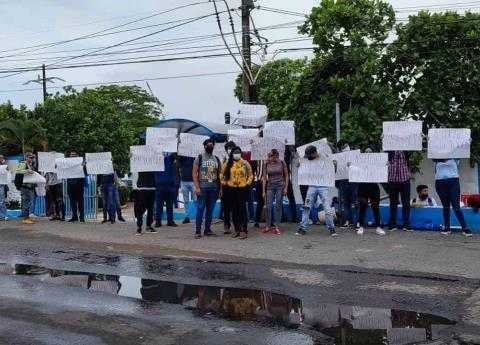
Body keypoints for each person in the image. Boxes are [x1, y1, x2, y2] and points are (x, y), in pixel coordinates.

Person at [297, 146, 337, 237]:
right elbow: (300, 165)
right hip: (312, 185)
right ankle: (303, 228)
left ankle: (331, 228)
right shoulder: (306, 159)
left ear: (315, 152)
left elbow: (332, 169)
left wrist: (334, 165)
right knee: (307, 206)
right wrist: (299, 164)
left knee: (327, 207)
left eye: (310, 155)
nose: (308, 157)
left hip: (323, 186)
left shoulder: (325, 158)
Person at [221, 146, 253, 239]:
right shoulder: (227, 163)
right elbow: (221, 174)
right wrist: (225, 183)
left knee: (242, 209)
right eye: (235, 152)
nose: (237, 154)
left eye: (238, 152)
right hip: (231, 189)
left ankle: (244, 230)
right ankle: (237, 230)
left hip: (242, 189)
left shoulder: (245, 163)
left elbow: (251, 175)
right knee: (234, 210)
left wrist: (247, 183)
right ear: (232, 154)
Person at [434, 159, 472, 237]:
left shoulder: (455, 156)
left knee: (456, 206)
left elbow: (460, 155)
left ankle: (465, 228)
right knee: (445, 206)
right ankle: (447, 228)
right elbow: (433, 162)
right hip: (439, 181)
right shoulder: (437, 155)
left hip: (453, 181)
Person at [193, 138, 221, 238]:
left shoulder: (216, 159)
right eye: (208, 145)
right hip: (202, 188)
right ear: (204, 146)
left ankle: (207, 230)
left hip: (213, 188)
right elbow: (194, 173)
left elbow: (219, 175)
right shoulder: (199, 158)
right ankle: (197, 231)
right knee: (200, 209)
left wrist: (220, 189)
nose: (210, 146)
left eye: (212, 144)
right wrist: (197, 187)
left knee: (210, 210)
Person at [262, 149, 289, 235]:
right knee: (268, 206)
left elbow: (287, 175)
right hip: (270, 186)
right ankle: (268, 225)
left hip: (280, 186)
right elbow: (264, 178)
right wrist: (263, 190)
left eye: (276, 156)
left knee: (278, 206)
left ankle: (277, 226)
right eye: (273, 156)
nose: (275, 158)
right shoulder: (266, 163)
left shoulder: (282, 162)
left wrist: (286, 188)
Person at [335, 140, 359, 229]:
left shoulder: (354, 154)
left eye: (345, 145)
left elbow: (359, 167)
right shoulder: (338, 157)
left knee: (354, 202)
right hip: (344, 180)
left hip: (352, 180)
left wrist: (351, 166)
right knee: (346, 202)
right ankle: (348, 221)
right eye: (343, 147)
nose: (345, 147)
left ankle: (356, 222)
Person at [387, 150, 411, 231]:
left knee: (406, 203)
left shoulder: (405, 148)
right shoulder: (389, 148)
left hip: (405, 178)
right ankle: (392, 224)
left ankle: (406, 224)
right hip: (392, 179)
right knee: (393, 203)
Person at [154, 153, 178, 228]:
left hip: (168, 185)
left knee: (169, 205)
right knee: (159, 205)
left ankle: (168, 221)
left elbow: (176, 154)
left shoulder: (170, 158)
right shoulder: (155, 159)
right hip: (160, 185)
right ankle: (159, 221)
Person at [15, 152, 37, 225]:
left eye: (32, 157)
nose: (31, 159)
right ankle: (25, 218)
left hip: (29, 186)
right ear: (26, 157)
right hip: (24, 186)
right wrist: (27, 171)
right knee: (26, 202)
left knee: (29, 201)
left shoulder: (30, 164)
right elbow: (18, 171)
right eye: (30, 157)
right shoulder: (23, 163)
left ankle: (27, 217)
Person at [66, 150, 86, 222]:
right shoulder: (67, 164)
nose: (73, 156)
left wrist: (84, 166)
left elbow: (86, 173)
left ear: (77, 156)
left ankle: (82, 217)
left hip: (79, 185)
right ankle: (74, 216)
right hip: (70, 185)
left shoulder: (81, 163)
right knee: (72, 202)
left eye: (74, 155)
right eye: (71, 155)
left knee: (80, 202)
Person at [221, 141, 236, 233]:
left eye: (231, 148)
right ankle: (227, 226)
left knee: (235, 208)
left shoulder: (240, 161)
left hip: (236, 187)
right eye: (228, 149)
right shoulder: (224, 161)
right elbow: (221, 176)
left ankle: (237, 226)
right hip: (226, 187)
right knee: (226, 208)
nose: (229, 150)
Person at [178, 155, 195, 224]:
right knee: (186, 201)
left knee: (196, 199)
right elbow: (178, 165)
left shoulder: (193, 156)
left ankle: (198, 216)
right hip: (184, 181)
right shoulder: (181, 156)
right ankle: (187, 217)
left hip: (193, 181)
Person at [0, 155, 8, 221]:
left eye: (2, 158)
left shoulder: (4, 166)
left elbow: (8, 173)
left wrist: (4, 164)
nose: (1, 159)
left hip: (2, 184)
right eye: (0, 158)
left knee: (2, 200)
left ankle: (3, 215)